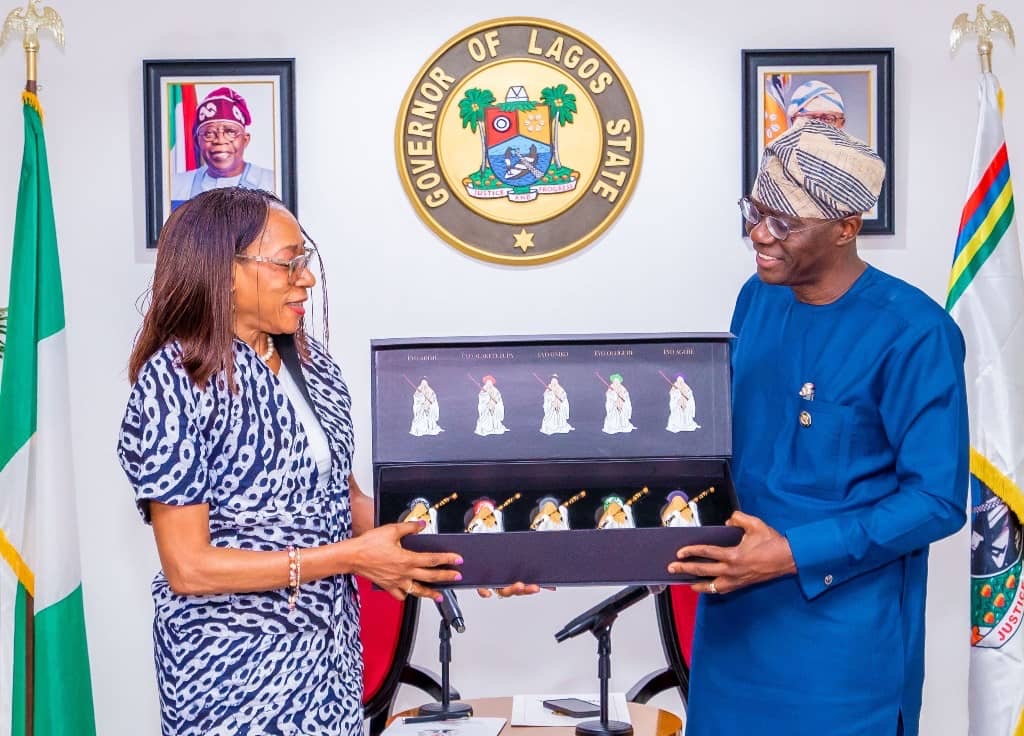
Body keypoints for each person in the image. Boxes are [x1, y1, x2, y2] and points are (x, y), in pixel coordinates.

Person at [116, 188, 534, 735]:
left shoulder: (314, 368)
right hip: (228, 674)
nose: (306, 279)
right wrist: (349, 559)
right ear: (225, 271)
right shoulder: (173, 381)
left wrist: (477, 556)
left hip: (329, 662)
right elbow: (189, 566)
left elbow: (349, 501)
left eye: (304, 263)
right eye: (288, 264)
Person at [668, 120, 968, 736]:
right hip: (733, 630)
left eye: (783, 222)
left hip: (843, 649)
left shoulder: (915, 333)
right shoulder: (757, 297)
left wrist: (789, 554)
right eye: (754, 211)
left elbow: (936, 500)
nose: (759, 234)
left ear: (846, 229)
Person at [169, 87, 276, 211]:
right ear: (197, 142)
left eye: (230, 132)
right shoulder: (175, 186)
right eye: (209, 134)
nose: (220, 140)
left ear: (245, 140)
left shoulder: (273, 182)